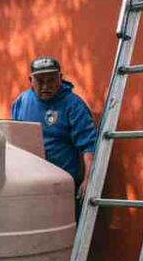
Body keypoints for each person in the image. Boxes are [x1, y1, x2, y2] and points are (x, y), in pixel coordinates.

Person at [11, 56, 98, 214]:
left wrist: (88, 180)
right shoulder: (22, 102)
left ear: (60, 78)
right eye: (40, 81)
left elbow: (89, 147)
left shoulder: (74, 106)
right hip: (29, 185)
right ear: (30, 80)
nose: (46, 86)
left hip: (62, 186)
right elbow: (14, 139)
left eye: (51, 80)